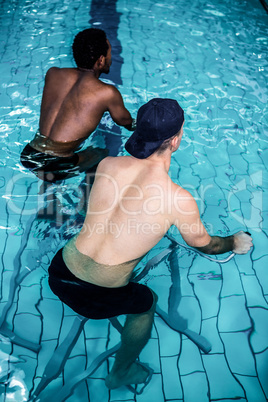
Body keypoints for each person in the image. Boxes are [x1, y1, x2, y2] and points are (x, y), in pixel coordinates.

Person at [48, 98, 253, 389]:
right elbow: (204, 245)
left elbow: (88, 209)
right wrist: (233, 242)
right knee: (146, 302)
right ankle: (120, 373)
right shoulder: (178, 199)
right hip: (97, 298)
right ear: (176, 139)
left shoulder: (107, 164)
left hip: (58, 272)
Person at [20, 28, 135, 183]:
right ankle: (84, 200)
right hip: (57, 165)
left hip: (29, 154)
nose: (111, 58)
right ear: (100, 61)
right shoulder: (107, 92)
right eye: (109, 53)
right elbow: (126, 122)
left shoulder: (53, 73)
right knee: (102, 153)